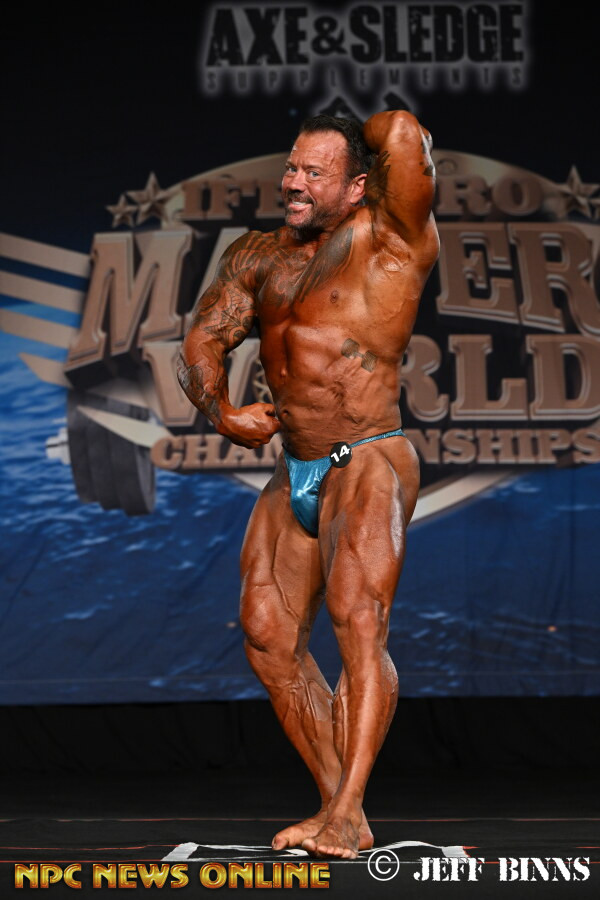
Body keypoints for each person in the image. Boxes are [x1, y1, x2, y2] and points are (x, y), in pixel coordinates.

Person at [177, 111, 439, 859]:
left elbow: (400, 130)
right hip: (293, 464)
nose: (292, 182)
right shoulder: (258, 255)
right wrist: (222, 411)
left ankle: (348, 808)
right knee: (267, 634)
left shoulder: (393, 242)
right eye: (291, 167)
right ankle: (338, 805)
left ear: (357, 186)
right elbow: (203, 338)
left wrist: (352, 134)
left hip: (368, 457)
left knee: (360, 626)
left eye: (313, 172)